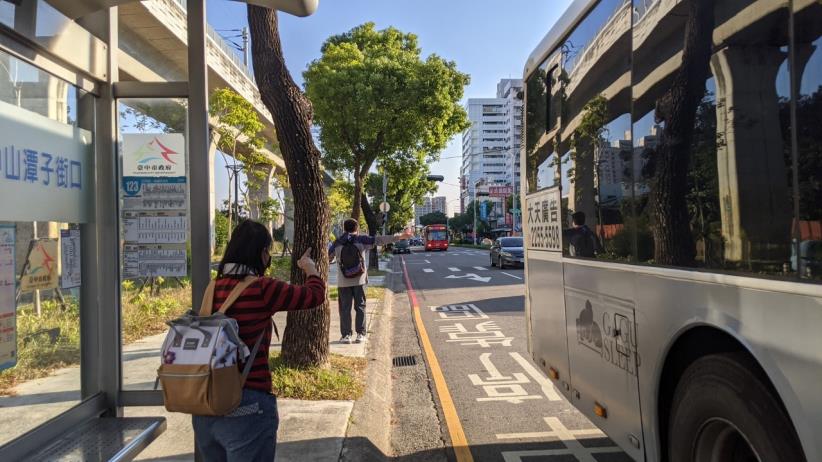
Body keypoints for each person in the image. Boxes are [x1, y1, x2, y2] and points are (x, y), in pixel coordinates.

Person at [192, 220, 325, 461]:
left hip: (206, 406)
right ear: (263, 253)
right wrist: (310, 268)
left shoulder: (213, 287)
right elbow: (314, 295)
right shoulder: (262, 288)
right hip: (247, 405)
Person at [329, 218, 412, 344]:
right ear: (357, 229)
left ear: (344, 228)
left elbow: (328, 258)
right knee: (360, 306)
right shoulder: (361, 239)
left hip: (343, 281)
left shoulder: (337, 242)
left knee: (345, 309)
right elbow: (379, 240)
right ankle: (360, 334)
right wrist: (400, 236)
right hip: (360, 280)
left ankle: (346, 336)